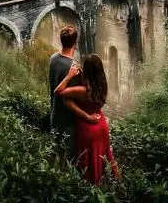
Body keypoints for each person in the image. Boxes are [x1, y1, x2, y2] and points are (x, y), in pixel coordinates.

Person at [55, 54, 119, 185]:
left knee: (89, 162)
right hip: (101, 126)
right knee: (104, 157)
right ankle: (117, 182)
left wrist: (70, 76)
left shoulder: (83, 90)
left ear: (86, 71)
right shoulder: (102, 86)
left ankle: (91, 188)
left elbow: (59, 91)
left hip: (88, 129)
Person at [49, 25, 99, 159]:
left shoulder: (53, 58)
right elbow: (68, 102)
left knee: (57, 157)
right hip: (68, 123)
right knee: (69, 159)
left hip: (54, 117)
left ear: (61, 41)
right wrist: (88, 117)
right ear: (75, 43)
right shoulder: (74, 69)